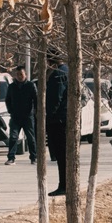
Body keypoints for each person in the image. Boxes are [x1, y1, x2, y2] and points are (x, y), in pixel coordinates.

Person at [45, 49, 69, 197]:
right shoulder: (68, 70)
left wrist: (48, 115)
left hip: (59, 120)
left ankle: (64, 185)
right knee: (64, 155)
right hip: (66, 117)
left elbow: (55, 98)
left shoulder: (58, 74)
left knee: (61, 154)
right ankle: (66, 184)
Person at [4, 65, 38, 165]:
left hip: (28, 116)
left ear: (25, 74)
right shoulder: (12, 86)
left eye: (21, 74)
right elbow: (8, 100)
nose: (19, 76)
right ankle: (11, 158)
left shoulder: (30, 85)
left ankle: (33, 157)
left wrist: (35, 111)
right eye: (18, 74)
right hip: (15, 116)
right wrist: (10, 110)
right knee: (13, 137)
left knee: (31, 138)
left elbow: (36, 99)